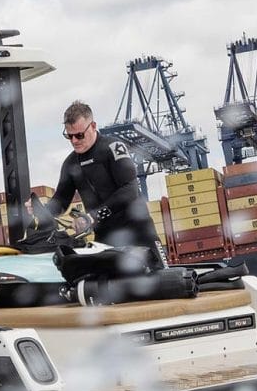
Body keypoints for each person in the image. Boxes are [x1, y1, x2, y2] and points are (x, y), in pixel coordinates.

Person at [35, 100, 163, 271]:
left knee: (162, 277)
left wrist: (92, 216)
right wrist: (42, 210)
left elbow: (129, 189)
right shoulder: (70, 163)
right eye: (69, 136)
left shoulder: (113, 147)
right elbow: (61, 200)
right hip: (106, 235)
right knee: (112, 286)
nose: (74, 141)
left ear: (93, 126)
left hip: (138, 228)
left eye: (79, 135)